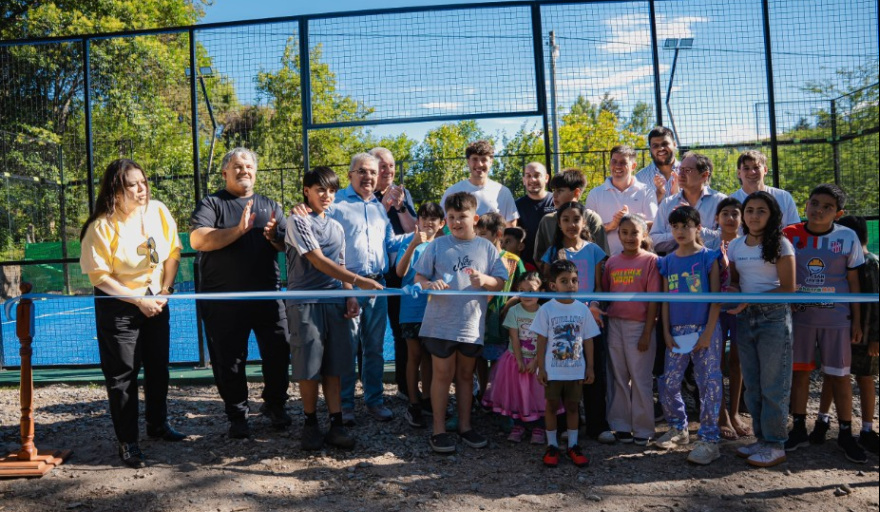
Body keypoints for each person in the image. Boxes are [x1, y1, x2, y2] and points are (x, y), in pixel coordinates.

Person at [80, 158, 186, 469]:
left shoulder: (158, 211)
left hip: (156, 300)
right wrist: (139, 301)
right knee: (123, 375)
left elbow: (173, 251)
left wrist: (165, 290)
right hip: (120, 307)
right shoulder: (100, 226)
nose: (142, 189)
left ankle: (158, 424)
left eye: (143, 182)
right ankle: (128, 441)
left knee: (158, 367)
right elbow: (100, 277)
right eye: (132, 185)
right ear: (115, 191)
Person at [190, 147, 292, 439]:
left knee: (279, 350)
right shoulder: (212, 204)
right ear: (225, 172)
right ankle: (237, 414)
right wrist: (238, 230)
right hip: (224, 301)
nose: (244, 170)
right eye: (237, 166)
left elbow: (286, 243)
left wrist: (275, 237)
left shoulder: (270, 205)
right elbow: (198, 239)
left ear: (255, 172)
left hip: (268, 297)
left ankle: (275, 405)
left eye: (249, 166)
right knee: (230, 359)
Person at [284, 166, 383, 452]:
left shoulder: (337, 227)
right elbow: (316, 259)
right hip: (305, 302)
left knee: (335, 366)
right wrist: (359, 281)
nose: (326, 195)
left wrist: (349, 294)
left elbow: (340, 263)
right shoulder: (297, 221)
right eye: (320, 190)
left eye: (331, 190)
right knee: (309, 367)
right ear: (307, 191)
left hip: (335, 302)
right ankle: (310, 424)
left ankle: (336, 424)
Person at [413, 192, 509, 454]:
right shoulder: (437, 246)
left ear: (475, 219)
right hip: (440, 324)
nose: (456, 222)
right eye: (452, 217)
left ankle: (465, 427)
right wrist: (429, 284)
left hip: (471, 325)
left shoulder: (486, 248)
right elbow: (419, 278)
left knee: (466, 376)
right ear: (446, 219)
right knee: (442, 375)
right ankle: (438, 430)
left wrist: (485, 280)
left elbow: (500, 282)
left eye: (462, 217)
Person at [783, 184, 866, 464]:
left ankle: (845, 434)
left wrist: (857, 321)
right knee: (800, 374)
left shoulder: (847, 237)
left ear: (838, 213)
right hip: (801, 319)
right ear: (806, 204)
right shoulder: (789, 234)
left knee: (839, 376)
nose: (818, 210)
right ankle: (798, 429)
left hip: (837, 320)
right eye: (814, 203)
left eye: (827, 207)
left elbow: (854, 282)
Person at [327, 152, 406, 424]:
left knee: (374, 349)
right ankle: (345, 405)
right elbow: (330, 249)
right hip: (349, 286)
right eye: (362, 171)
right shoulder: (336, 204)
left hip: (378, 286)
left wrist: (421, 236)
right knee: (347, 348)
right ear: (350, 174)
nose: (368, 176)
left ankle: (374, 401)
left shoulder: (378, 208)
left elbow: (391, 243)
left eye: (373, 172)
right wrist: (348, 289)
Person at [726, 191, 796, 467]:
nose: (754, 216)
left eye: (761, 211)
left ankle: (776, 444)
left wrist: (749, 299)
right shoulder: (735, 246)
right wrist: (731, 294)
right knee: (753, 386)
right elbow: (734, 282)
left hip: (774, 318)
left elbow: (789, 289)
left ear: (772, 215)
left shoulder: (781, 244)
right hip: (745, 318)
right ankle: (762, 439)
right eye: (750, 210)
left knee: (773, 384)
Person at [655, 206, 724, 466]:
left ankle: (709, 439)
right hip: (676, 332)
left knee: (709, 383)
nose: (680, 231)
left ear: (697, 227)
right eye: (675, 226)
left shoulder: (709, 257)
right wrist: (666, 331)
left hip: (705, 330)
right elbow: (664, 300)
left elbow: (715, 299)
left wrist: (707, 333)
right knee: (669, 381)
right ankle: (678, 428)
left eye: (686, 226)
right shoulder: (667, 262)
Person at [815, 215, 877, 455]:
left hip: (866, 335)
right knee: (832, 374)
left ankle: (867, 429)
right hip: (841, 327)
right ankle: (822, 421)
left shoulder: (870, 264)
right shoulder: (842, 261)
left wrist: (875, 337)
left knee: (865, 378)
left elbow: (875, 303)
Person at [598, 214, 661, 446]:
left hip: (640, 326)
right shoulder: (613, 262)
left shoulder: (651, 260)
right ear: (618, 235)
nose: (629, 237)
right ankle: (621, 425)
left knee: (640, 377)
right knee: (618, 376)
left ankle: (643, 428)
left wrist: (647, 332)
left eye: (634, 232)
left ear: (643, 234)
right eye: (624, 232)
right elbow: (606, 294)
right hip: (615, 324)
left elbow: (654, 300)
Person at [532, 259, 600, 468]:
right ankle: (552, 445)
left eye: (574, 280)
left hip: (576, 370)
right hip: (553, 371)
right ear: (553, 285)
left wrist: (590, 367)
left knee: (572, 407)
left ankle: (573, 445)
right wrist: (541, 367)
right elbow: (541, 340)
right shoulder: (546, 309)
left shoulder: (583, 309)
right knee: (551, 406)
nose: (570, 285)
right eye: (564, 281)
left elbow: (588, 340)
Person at [370, 147, 416, 401]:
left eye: (391, 166)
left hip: (400, 274)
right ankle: (370, 391)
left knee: (402, 331)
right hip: (372, 275)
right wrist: (382, 206)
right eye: (382, 166)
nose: (388, 171)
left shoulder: (403, 194)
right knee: (368, 335)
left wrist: (400, 207)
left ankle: (404, 387)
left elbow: (414, 231)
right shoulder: (362, 195)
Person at [481, 272, 548, 445]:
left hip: (538, 360)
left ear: (541, 291)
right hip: (514, 361)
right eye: (522, 290)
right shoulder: (514, 311)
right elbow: (514, 338)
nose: (527, 295)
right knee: (517, 393)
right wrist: (519, 360)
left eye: (531, 290)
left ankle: (539, 427)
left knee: (538, 394)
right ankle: (518, 426)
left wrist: (536, 361)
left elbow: (545, 339)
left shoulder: (544, 312)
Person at [395, 202, 446, 429]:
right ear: (418, 221)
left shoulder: (443, 245)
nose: (428, 222)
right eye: (424, 217)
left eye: (433, 219)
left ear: (441, 223)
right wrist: (413, 244)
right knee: (413, 355)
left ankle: (427, 399)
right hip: (411, 309)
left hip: (434, 309)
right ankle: (413, 402)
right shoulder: (409, 241)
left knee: (428, 356)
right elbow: (400, 272)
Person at [476, 212, 526, 402]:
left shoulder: (513, 260)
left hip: (503, 321)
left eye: (483, 234)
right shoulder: (476, 258)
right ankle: (482, 394)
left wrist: (511, 303)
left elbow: (525, 288)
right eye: (477, 234)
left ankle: (499, 398)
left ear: (497, 234)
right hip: (478, 319)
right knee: (479, 358)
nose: (479, 238)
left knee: (502, 361)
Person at [713, 197, 751, 441]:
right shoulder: (709, 246)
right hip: (715, 311)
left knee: (737, 361)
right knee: (716, 364)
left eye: (735, 213)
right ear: (717, 218)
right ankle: (721, 415)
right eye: (725, 213)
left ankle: (735, 412)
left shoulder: (747, 245)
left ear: (742, 218)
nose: (730, 218)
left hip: (740, 310)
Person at [585, 145, 657, 256]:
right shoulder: (595, 194)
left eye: (623, 162)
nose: (617, 166)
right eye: (614, 161)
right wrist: (611, 225)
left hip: (639, 259)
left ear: (633, 166)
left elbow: (655, 225)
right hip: (605, 260)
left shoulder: (646, 191)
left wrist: (631, 221)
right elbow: (587, 231)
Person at [650, 151, 727, 254]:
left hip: (710, 262)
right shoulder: (668, 203)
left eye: (687, 170)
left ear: (704, 175)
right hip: (676, 262)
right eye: (680, 169)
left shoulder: (720, 201)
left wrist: (694, 227)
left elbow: (726, 238)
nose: (681, 174)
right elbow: (653, 240)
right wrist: (679, 233)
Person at [533, 168, 608, 265]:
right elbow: (539, 258)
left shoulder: (592, 218)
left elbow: (602, 259)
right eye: (554, 190)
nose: (554, 195)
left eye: (560, 190)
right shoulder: (547, 221)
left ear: (576, 192)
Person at [439, 140, 519, 225]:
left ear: (491, 162)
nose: (479, 164)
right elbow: (441, 224)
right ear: (468, 161)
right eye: (475, 159)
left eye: (484, 160)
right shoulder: (453, 191)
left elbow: (511, 226)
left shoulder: (503, 192)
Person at [729, 150, 800, 227]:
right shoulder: (731, 202)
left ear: (765, 170)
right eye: (746, 168)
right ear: (739, 173)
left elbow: (794, 229)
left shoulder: (784, 197)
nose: (752, 172)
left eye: (756, 167)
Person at [515, 162, 555, 268]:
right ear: (524, 180)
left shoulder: (556, 202)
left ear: (546, 178)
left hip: (555, 265)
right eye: (528, 176)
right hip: (527, 267)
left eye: (537, 175)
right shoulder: (517, 206)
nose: (532, 180)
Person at [635, 126, 681, 204]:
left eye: (665, 144)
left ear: (674, 144)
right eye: (655, 146)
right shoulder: (640, 178)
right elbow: (639, 207)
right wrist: (658, 194)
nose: (660, 148)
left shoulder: (689, 172)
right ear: (650, 149)